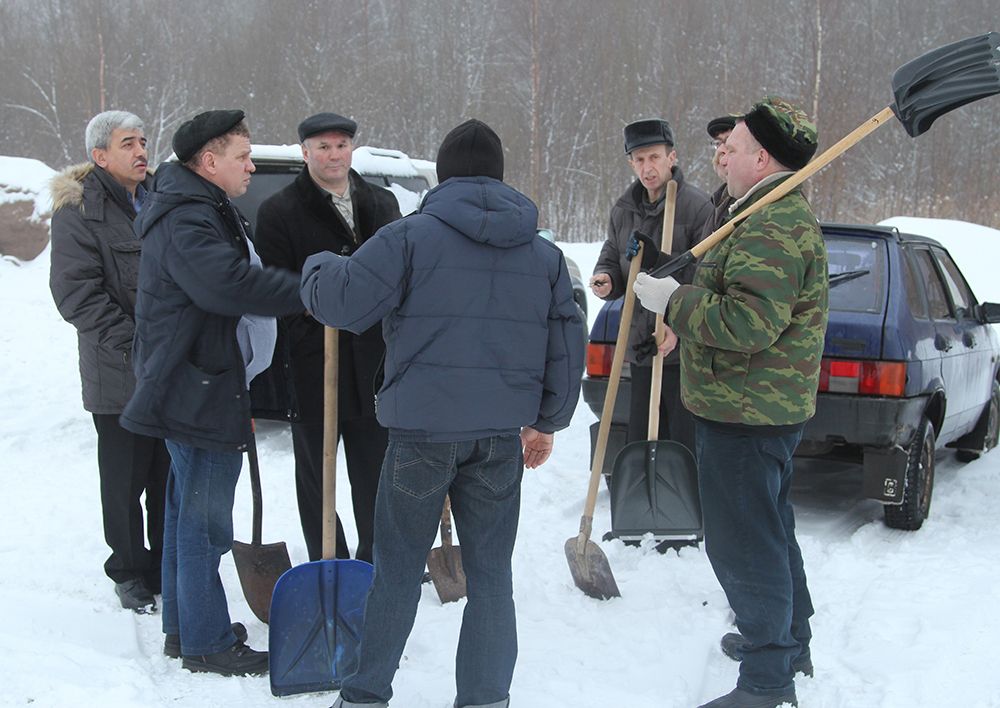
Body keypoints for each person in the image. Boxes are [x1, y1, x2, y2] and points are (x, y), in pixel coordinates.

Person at [300, 119, 585, 708]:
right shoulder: (544, 256)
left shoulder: (410, 238)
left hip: (421, 436)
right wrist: (548, 419)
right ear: (501, 175)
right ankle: (485, 699)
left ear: (445, 172)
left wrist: (320, 264)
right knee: (491, 579)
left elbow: (345, 302)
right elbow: (567, 341)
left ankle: (364, 695)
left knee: (397, 572)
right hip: (498, 440)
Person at [633, 97, 827, 708]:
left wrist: (673, 302)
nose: (721, 152)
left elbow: (747, 324)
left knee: (744, 540)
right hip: (755, 407)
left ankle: (769, 681)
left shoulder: (772, 224)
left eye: (733, 145)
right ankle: (789, 640)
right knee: (769, 527)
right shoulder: (755, 212)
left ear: (762, 157)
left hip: (747, 411)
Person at [120, 110, 303, 676]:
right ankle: (205, 642)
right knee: (204, 524)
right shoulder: (188, 215)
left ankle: (184, 626)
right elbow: (227, 283)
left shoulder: (195, 205)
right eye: (242, 156)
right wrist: (312, 289)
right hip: (197, 385)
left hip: (192, 381)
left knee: (183, 515)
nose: (251, 165)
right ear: (208, 161)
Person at [254, 112, 401, 564]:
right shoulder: (279, 211)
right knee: (319, 474)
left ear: (352, 149)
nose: (333, 155)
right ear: (305, 152)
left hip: (374, 364)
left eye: (341, 145)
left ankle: (376, 561)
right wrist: (316, 323)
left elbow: (398, 277)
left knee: (374, 469)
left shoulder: (382, 203)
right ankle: (328, 561)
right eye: (323, 147)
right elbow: (275, 289)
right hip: (314, 365)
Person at [49, 110, 169, 613]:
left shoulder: (164, 201)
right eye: (127, 144)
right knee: (125, 477)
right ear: (99, 156)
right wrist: (139, 344)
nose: (141, 151)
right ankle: (127, 568)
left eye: (143, 141)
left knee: (168, 474)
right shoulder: (80, 212)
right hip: (118, 369)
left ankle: (166, 563)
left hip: (171, 367)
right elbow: (77, 294)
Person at [589, 118, 711, 456]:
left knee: (680, 446)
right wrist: (608, 278)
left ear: (671, 157)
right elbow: (612, 254)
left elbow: (705, 276)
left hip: (683, 353)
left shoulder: (697, 207)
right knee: (642, 442)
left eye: (654, 157)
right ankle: (645, 502)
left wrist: (674, 325)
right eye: (639, 159)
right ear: (631, 163)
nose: (648, 167)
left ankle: (684, 505)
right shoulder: (624, 209)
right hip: (642, 348)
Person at [701, 114, 739, 238]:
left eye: (728, 141)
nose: (721, 150)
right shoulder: (720, 199)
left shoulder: (752, 198)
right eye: (718, 143)